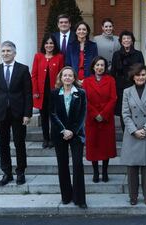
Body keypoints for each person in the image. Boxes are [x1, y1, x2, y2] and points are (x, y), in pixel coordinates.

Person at [0, 41, 32, 186]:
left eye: (8, 51)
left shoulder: (23, 69)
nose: (5, 53)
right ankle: (7, 173)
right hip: (0, 113)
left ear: (14, 53)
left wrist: (27, 114)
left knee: (19, 143)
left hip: (18, 113)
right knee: (3, 144)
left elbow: (28, 93)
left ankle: (20, 172)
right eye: (3, 51)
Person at [121, 63, 146, 206]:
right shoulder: (127, 92)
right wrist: (135, 131)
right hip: (132, 134)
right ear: (133, 76)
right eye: (138, 75)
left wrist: (145, 129)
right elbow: (125, 114)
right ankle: (133, 196)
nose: (140, 77)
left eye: (143, 74)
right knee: (131, 169)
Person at [50, 66, 87, 209]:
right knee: (62, 165)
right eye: (64, 75)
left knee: (78, 165)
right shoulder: (54, 94)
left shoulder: (81, 93)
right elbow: (52, 114)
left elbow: (82, 114)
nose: (67, 78)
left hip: (76, 134)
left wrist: (72, 130)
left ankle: (80, 199)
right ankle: (66, 196)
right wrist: (63, 130)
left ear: (74, 78)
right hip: (60, 134)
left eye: (70, 75)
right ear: (60, 77)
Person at [82, 56, 117, 183]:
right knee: (94, 146)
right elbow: (85, 99)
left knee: (106, 146)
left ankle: (105, 171)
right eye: (97, 65)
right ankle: (96, 172)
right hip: (92, 119)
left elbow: (113, 98)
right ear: (93, 67)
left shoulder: (111, 80)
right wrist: (95, 114)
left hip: (106, 118)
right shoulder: (86, 81)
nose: (100, 67)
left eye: (102, 65)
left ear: (105, 67)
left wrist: (103, 114)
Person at [31, 33, 64, 149]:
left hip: (54, 92)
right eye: (47, 43)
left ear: (54, 45)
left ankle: (54, 138)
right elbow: (34, 75)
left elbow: (62, 75)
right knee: (44, 117)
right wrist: (35, 90)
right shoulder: (38, 56)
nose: (49, 45)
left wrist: (61, 90)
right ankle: (46, 139)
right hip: (41, 93)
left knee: (54, 117)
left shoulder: (59, 57)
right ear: (43, 45)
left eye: (51, 43)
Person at [111, 30, 145, 132]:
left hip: (135, 86)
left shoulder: (138, 54)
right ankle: (126, 133)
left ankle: (136, 132)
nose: (126, 40)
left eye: (128, 38)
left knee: (136, 110)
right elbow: (113, 72)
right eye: (124, 39)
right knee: (124, 112)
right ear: (121, 41)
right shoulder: (116, 55)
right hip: (121, 88)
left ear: (132, 40)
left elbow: (142, 71)